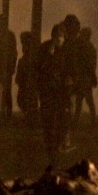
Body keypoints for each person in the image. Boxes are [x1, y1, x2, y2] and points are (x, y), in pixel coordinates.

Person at [37, 23, 73, 162]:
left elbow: (72, 69)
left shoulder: (67, 51)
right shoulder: (45, 48)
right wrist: (49, 55)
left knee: (63, 117)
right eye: (56, 36)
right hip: (47, 89)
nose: (58, 39)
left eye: (60, 36)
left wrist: (70, 81)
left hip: (62, 91)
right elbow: (39, 67)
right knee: (48, 119)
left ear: (64, 37)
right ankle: (50, 146)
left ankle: (60, 142)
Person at [73, 27, 98, 126]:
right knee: (85, 100)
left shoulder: (82, 46)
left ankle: (79, 120)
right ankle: (92, 120)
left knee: (83, 100)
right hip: (84, 77)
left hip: (82, 77)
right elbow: (91, 64)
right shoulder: (87, 47)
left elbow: (91, 64)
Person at [15, 31, 39, 126]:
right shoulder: (24, 57)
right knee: (21, 99)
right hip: (24, 79)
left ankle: (29, 116)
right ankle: (28, 115)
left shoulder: (31, 51)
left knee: (25, 99)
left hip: (28, 78)